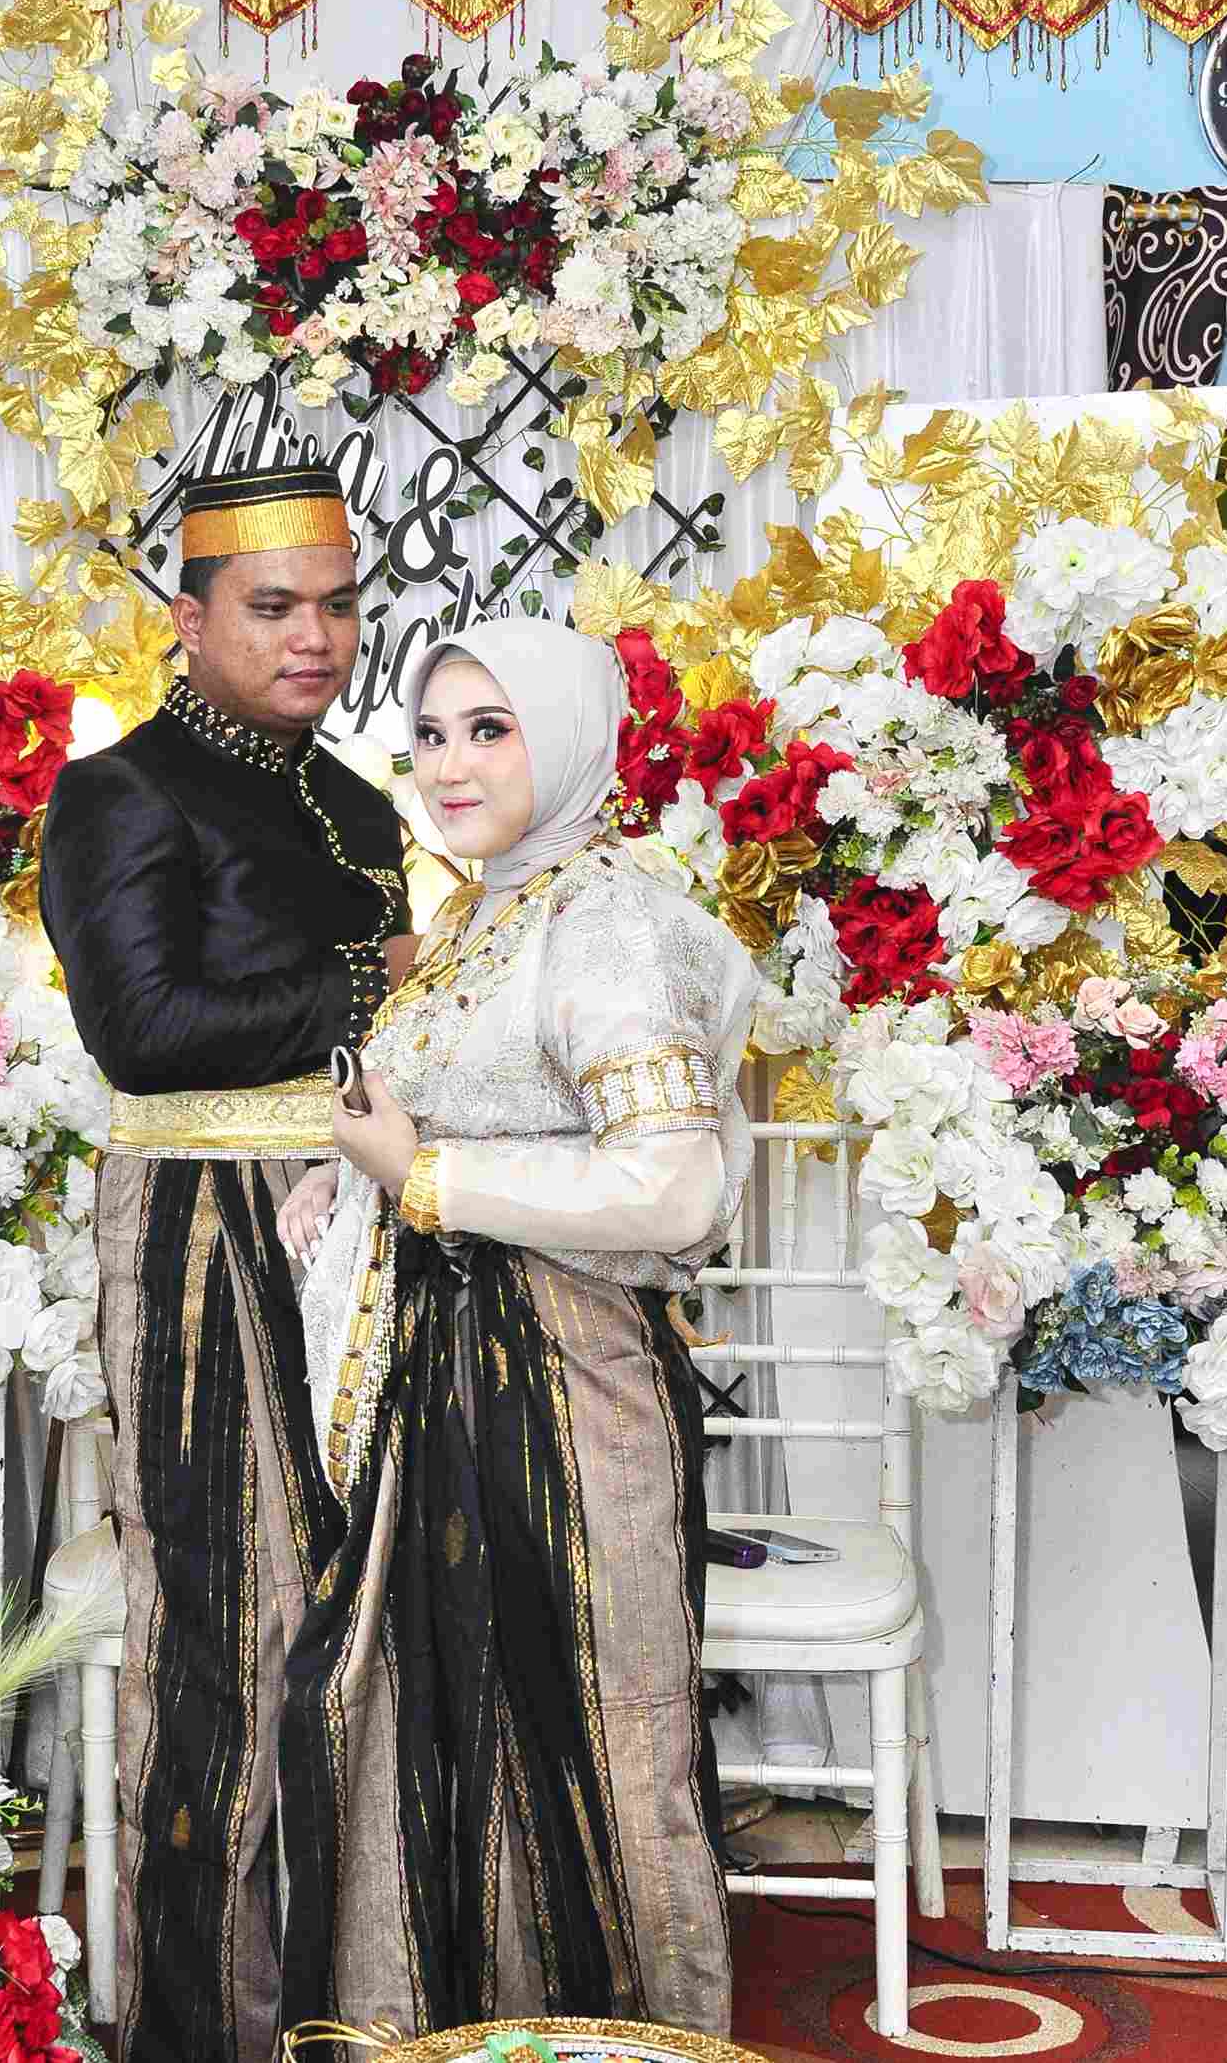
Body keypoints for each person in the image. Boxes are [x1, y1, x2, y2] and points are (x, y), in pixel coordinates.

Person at [275, 618, 758, 2048]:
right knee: (435, 1732)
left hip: (562, 1386)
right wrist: (346, 1180)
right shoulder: (488, 913)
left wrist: (419, 1177)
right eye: (429, 734)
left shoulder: (604, 923)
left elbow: (672, 1185)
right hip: (444, 1374)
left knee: (587, 1739)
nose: (450, 765)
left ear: (568, 739)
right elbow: (453, 1109)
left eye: (490, 730)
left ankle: (621, 2041)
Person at [38, 462, 417, 2063]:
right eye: (271, 607)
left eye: (334, 605)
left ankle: (361, 2019)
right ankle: (203, 2035)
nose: (312, 636)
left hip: (369, 1227)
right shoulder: (121, 793)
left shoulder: (358, 803)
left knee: (370, 1636)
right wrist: (370, 978)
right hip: (207, 1240)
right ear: (189, 621)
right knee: (226, 1642)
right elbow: (142, 1033)